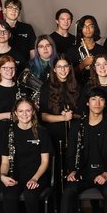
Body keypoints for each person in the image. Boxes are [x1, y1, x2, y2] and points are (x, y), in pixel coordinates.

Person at [0, 98, 51, 213]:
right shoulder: (8, 134)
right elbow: (4, 162)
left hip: (37, 175)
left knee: (30, 195)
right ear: (15, 113)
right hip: (14, 175)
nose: (24, 114)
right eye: (20, 111)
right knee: (9, 195)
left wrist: (35, 178)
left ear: (33, 111)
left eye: (28, 110)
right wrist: (2, 176)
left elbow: (45, 161)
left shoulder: (42, 132)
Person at [40, 57, 81, 200]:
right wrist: (62, 118)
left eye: (66, 66)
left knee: (73, 166)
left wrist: (72, 115)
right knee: (57, 168)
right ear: (54, 69)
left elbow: (82, 113)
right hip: (54, 134)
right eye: (59, 67)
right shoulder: (46, 87)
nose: (63, 70)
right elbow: (43, 116)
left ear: (69, 68)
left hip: (73, 132)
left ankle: (72, 204)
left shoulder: (77, 86)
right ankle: (56, 204)